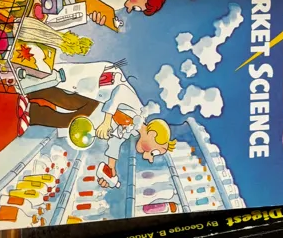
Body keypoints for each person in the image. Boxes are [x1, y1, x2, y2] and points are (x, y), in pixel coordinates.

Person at [18, 61, 175, 187]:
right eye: (154, 152)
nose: (150, 158)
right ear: (153, 134)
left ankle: (31, 114)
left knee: (67, 121)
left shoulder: (132, 131)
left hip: (95, 111)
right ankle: (29, 92)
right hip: (97, 94)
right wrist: (107, 121)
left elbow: (115, 142)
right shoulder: (137, 109)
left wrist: (111, 167)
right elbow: (120, 91)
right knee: (68, 101)